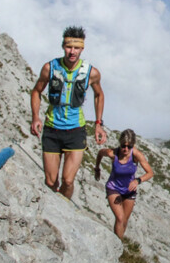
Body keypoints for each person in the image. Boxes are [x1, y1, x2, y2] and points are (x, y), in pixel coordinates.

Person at [30, 26, 107, 199]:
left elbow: (99, 95)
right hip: (52, 128)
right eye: (68, 47)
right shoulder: (50, 68)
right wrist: (35, 117)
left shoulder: (91, 73)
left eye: (76, 48)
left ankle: (64, 207)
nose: (72, 51)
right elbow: (36, 91)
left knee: (68, 180)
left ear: (82, 48)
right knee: (50, 181)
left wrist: (98, 124)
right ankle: (52, 207)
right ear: (63, 46)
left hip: (75, 130)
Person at [94, 129, 153, 239]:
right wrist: (97, 168)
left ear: (133, 145)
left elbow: (150, 173)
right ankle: (117, 245)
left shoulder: (136, 155)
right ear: (120, 144)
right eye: (123, 146)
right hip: (113, 187)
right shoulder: (112, 153)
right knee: (120, 218)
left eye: (129, 146)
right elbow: (100, 153)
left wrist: (137, 180)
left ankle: (118, 242)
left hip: (129, 190)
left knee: (124, 221)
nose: (126, 149)